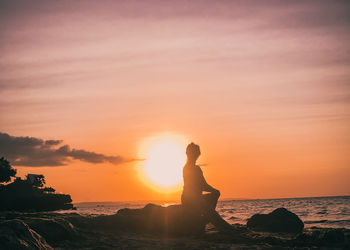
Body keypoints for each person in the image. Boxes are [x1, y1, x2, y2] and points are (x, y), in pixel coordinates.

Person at [181, 142, 234, 232]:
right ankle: (205, 219)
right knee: (215, 195)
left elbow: (201, 185)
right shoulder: (194, 168)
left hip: (187, 199)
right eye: (195, 153)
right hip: (193, 200)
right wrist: (215, 191)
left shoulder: (186, 167)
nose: (196, 155)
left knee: (208, 202)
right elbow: (203, 185)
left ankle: (205, 218)